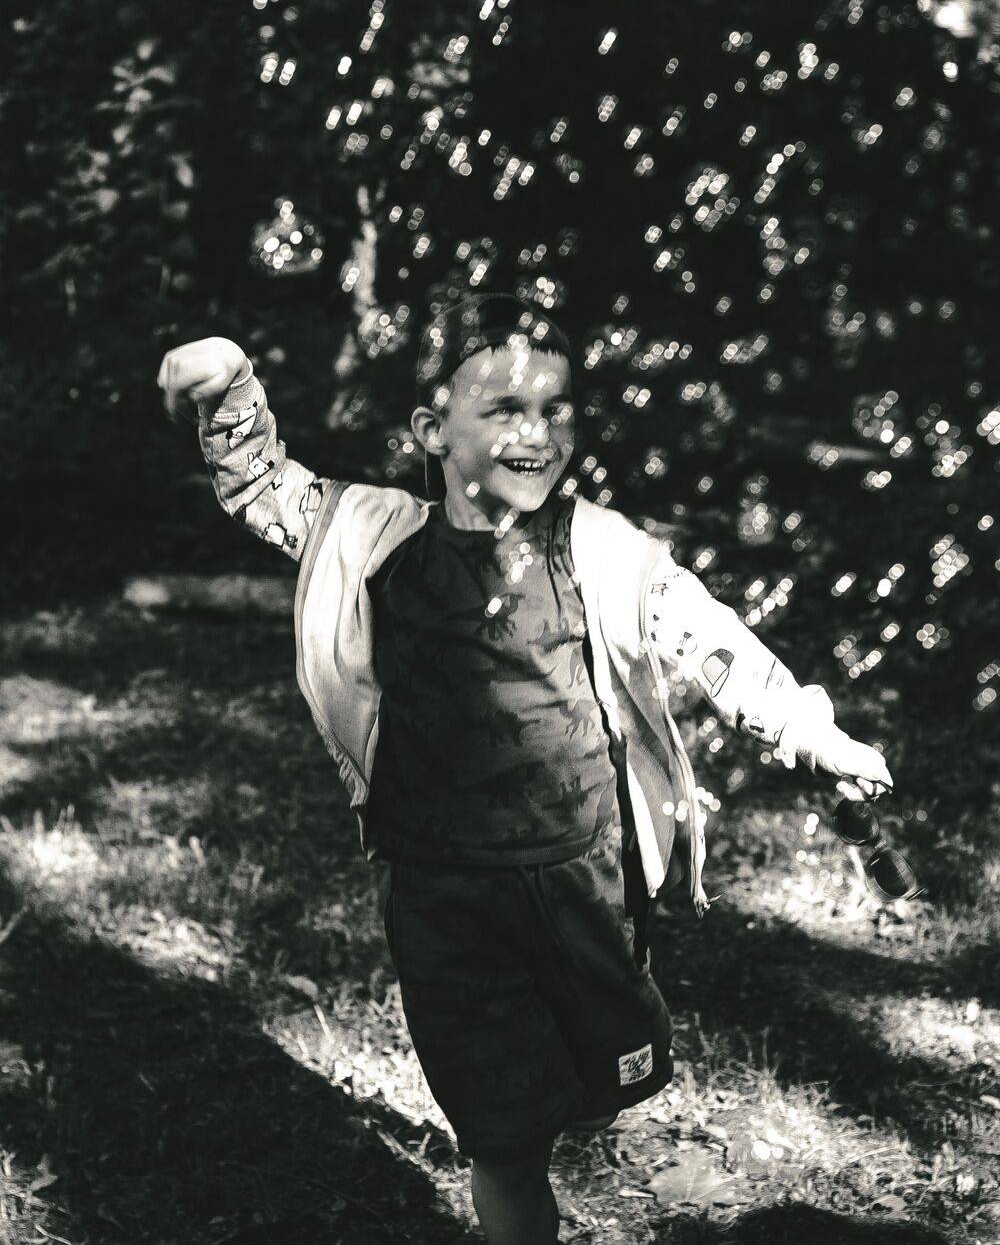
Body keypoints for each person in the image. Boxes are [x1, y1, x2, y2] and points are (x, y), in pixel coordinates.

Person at [157, 293, 892, 1244]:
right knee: (503, 1141)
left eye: (554, 408)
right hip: (445, 896)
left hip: (585, 882)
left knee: (607, 1080)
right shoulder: (373, 536)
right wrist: (229, 385)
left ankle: (564, 1094)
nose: (536, 431)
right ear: (434, 432)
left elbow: (710, 639)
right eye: (504, 408)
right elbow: (266, 490)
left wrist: (808, 731)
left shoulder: (600, 548)